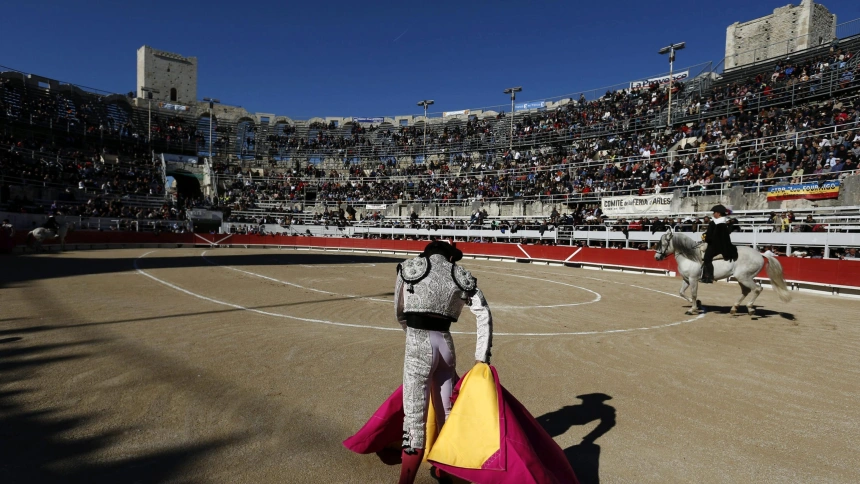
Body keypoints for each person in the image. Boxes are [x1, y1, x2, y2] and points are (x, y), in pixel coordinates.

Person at [394, 240, 492, 484]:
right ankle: (445, 472)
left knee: (414, 421)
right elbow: (484, 313)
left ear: (426, 253)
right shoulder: (460, 274)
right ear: (450, 257)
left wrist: (412, 335)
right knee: (446, 414)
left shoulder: (410, 268)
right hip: (446, 345)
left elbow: (399, 311)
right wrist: (482, 357)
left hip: (417, 341)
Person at [700, 205, 738, 284]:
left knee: (707, 258)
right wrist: (706, 235)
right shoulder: (721, 223)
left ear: (719, 213)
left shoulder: (719, 224)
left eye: (715, 213)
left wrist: (705, 238)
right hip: (718, 244)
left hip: (716, 246)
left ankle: (709, 277)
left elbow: (714, 238)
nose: (713, 214)